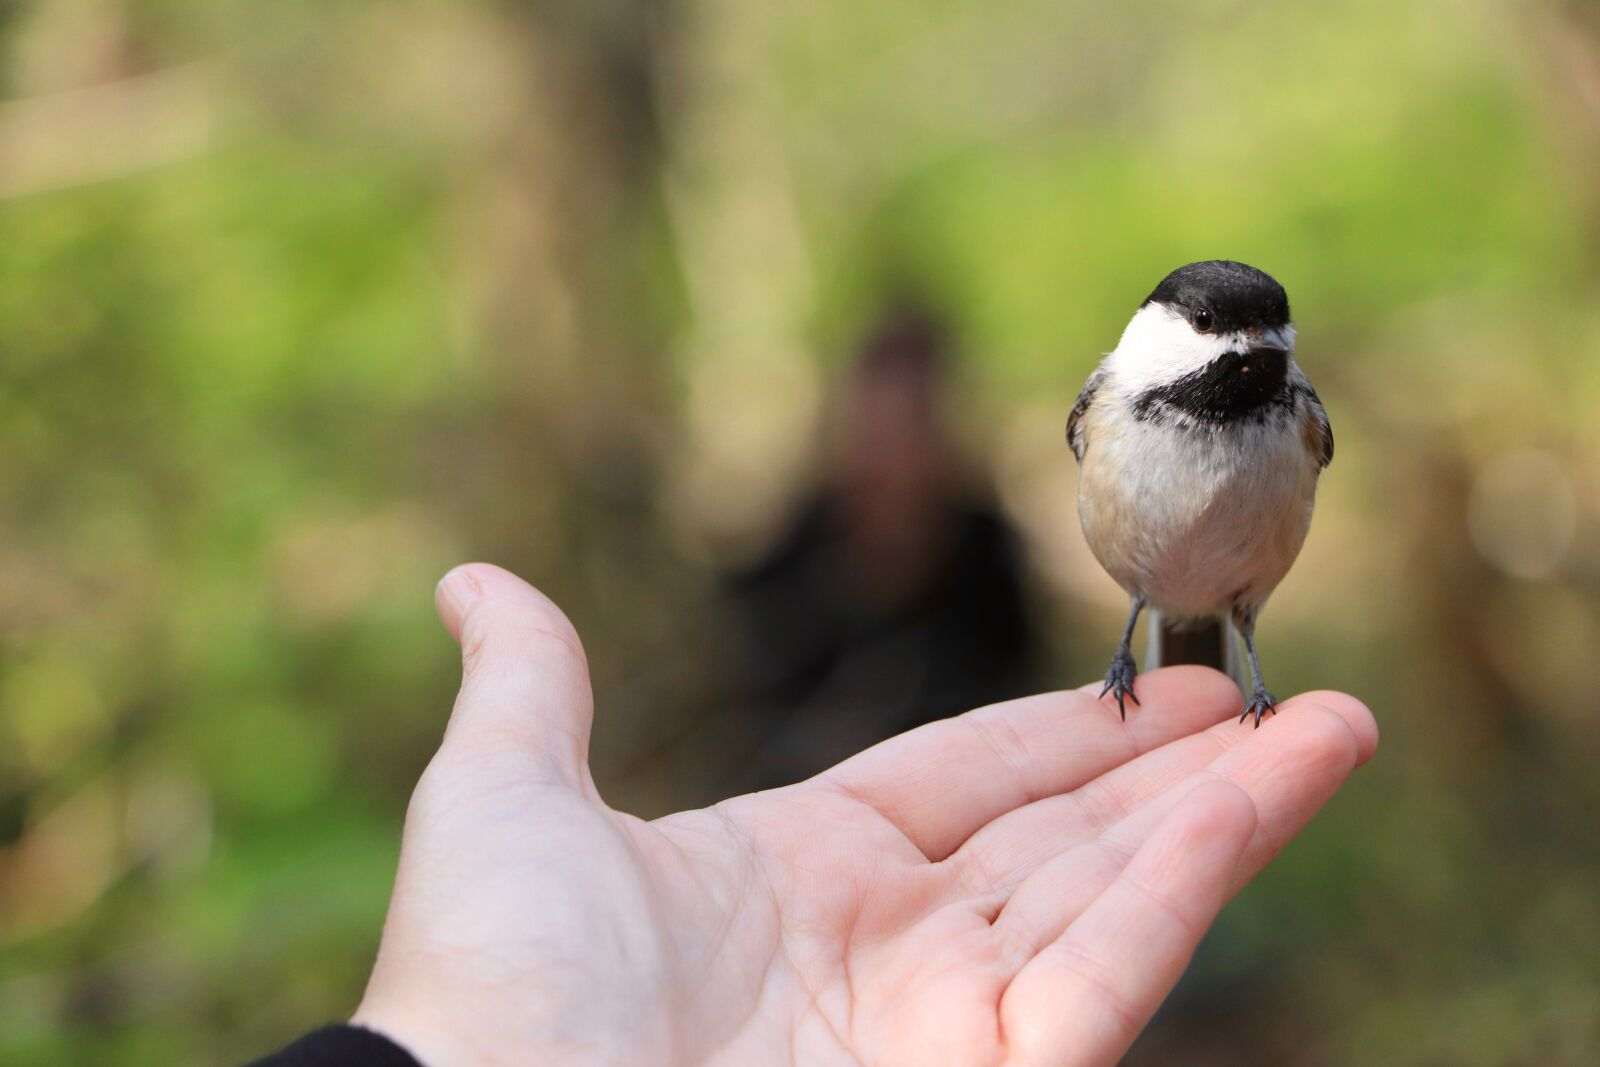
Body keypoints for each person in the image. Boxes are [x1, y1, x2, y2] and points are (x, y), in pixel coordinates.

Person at [250, 564, 1377, 1067]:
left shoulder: (973, 528)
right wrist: (478, 1045)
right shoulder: (808, 527)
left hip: (971, 814)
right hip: (830, 802)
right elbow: (758, 630)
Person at [726, 309, 1042, 786]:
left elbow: (1012, 678)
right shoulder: (798, 545)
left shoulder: (986, 549)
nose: (891, 450)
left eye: (909, 423)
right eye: (876, 423)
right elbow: (756, 673)